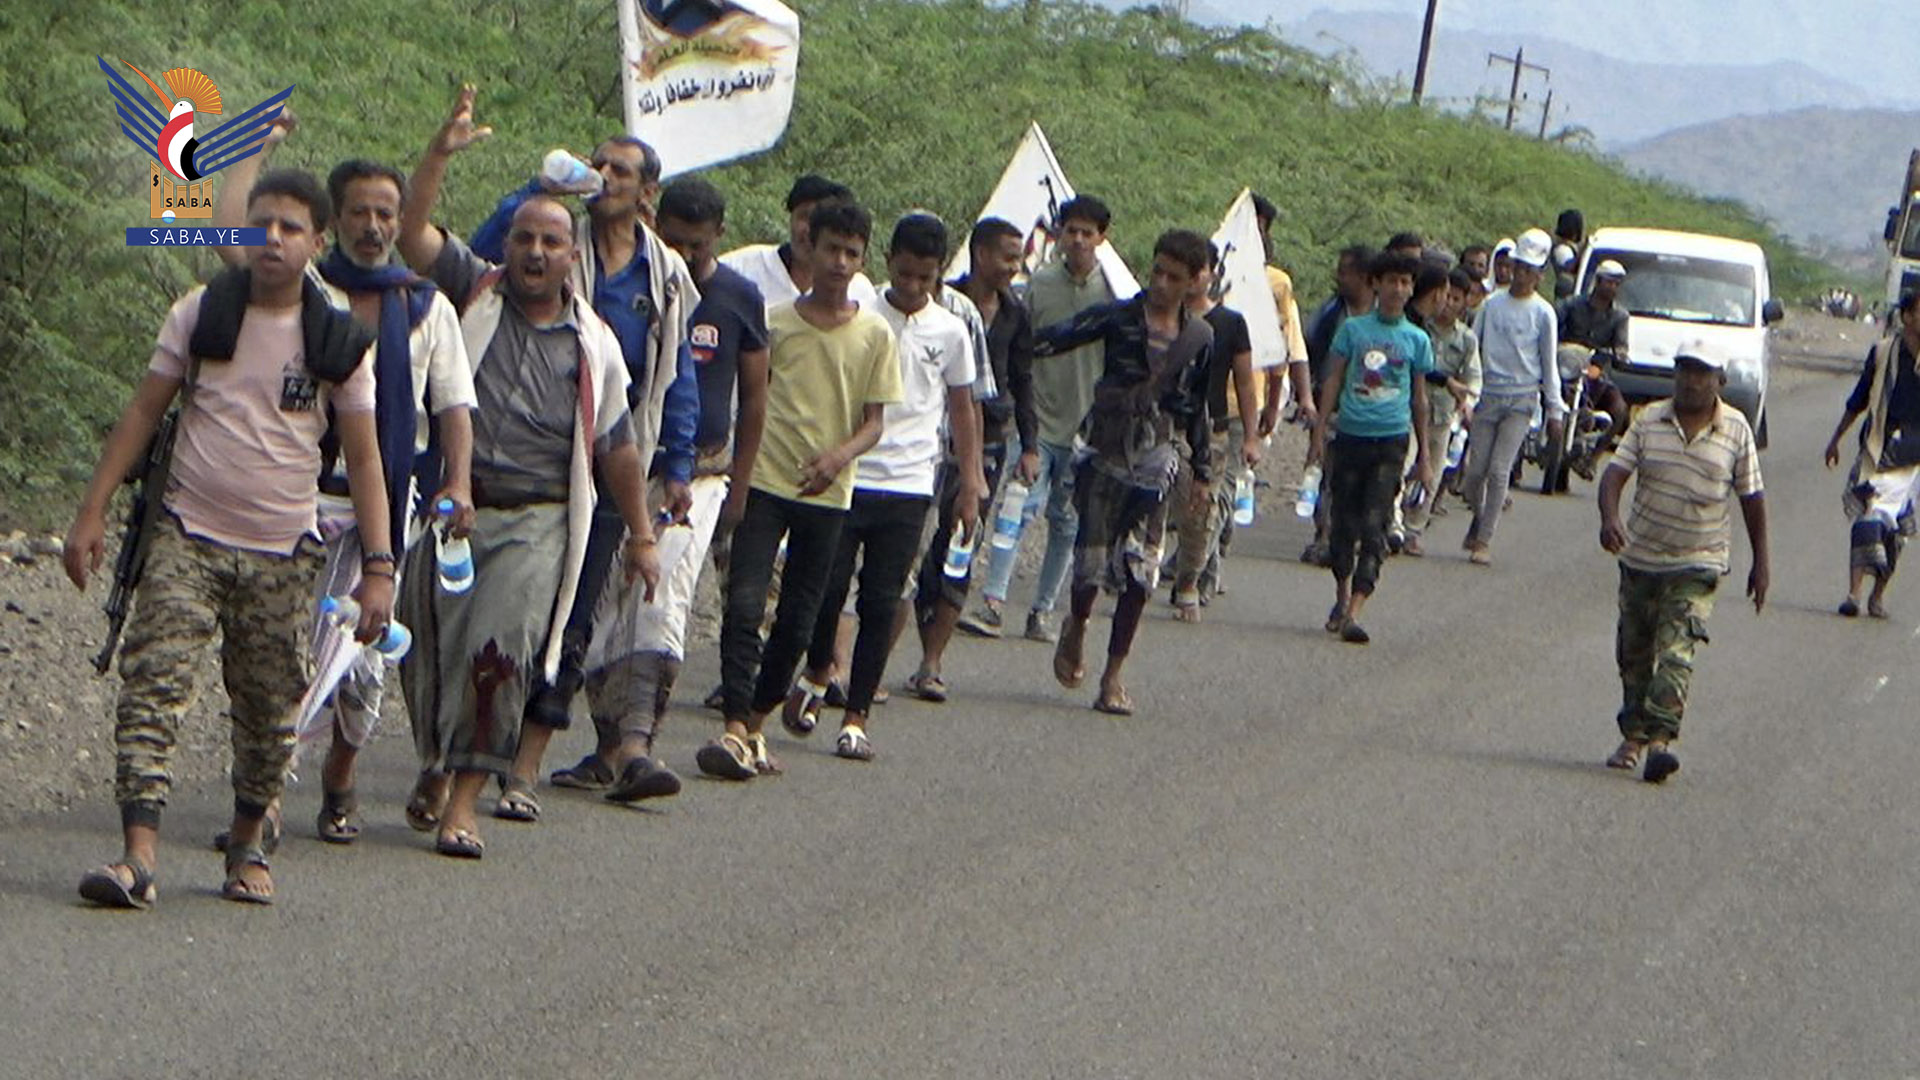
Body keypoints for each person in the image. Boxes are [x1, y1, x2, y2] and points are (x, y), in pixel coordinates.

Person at [64, 169, 391, 907]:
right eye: (258, 224)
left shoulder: (337, 339)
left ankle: (247, 843)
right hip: (187, 537)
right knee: (152, 685)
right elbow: (143, 413)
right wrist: (91, 513)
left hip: (284, 553)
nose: (271, 240)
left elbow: (366, 457)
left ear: (317, 242)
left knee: (269, 712)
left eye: (289, 228)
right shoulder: (201, 313)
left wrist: (379, 568)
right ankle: (138, 856)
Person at [396, 86, 662, 858]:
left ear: (571, 255)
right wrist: (438, 155)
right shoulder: (472, 295)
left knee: (500, 655)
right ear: (506, 246)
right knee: (429, 648)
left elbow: (616, 448)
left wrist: (642, 535)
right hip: (453, 510)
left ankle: (465, 801)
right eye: (524, 239)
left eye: (551, 242)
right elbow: (412, 235)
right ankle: (437, 762)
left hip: (539, 519)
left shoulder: (594, 343)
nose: (536, 253)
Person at [211, 124, 478, 846]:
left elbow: (452, 407)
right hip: (297, 496)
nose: (374, 226)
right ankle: (268, 796)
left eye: (386, 213)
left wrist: (458, 482)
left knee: (360, 663)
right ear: (334, 222)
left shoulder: (425, 307)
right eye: (359, 212)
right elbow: (233, 237)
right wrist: (253, 154)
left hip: (385, 506)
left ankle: (340, 772)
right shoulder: (304, 292)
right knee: (290, 649)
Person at [453, 118, 702, 818]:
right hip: (521, 462)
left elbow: (676, 374)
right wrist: (538, 192)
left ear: (648, 193)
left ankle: (524, 766)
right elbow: (482, 255)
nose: (605, 177)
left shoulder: (666, 278)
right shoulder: (554, 243)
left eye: (621, 171)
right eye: (599, 164)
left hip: (610, 466)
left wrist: (678, 466)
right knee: (478, 619)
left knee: (572, 617)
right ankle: (464, 750)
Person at [544, 176, 772, 802]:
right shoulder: (627, 280)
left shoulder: (737, 297)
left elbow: (753, 398)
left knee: (657, 606)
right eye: (676, 242)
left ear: (719, 236)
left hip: (695, 478)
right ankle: (608, 749)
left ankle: (639, 747)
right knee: (600, 607)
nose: (688, 256)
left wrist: (738, 484)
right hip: (615, 468)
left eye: (699, 245)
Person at [696, 201, 901, 782]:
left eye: (851, 253)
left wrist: (838, 456)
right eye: (831, 249)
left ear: (863, 258)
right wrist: (738, 478)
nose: (839, 263)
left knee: (800, 619)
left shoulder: (874, 334)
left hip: (827, 495)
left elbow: (875, 422)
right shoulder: (775, 321)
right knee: (744, 605)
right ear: (809, 248)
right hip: (765, 481)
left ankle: (756, 722)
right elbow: (751, 401)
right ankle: (735, 725)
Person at [780, 214, 978, 760]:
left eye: (924, 278)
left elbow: (963, 409)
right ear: (887, 262)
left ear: (939, 275)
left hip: (911, 484)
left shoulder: (951, 330)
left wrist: (971, 482)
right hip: (851, 473)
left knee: (881, 600)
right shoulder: (861, 313)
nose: (912, 287)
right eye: (904, 274)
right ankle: (819, 667)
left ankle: (856, 717)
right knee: (826, 588)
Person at [1041, 230, 1214, 715]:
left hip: (1156, 459)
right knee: (1091, 565)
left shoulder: (1199, 338)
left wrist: (1202, 470)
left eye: (1173, 277)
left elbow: (1198, 406)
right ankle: (1078, 622)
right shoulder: (1118, 318)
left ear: (1193, 282)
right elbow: (1056, 338)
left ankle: (1113, 676)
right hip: (1104, 451)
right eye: (1156, 271)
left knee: (1140, 571)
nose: (1160, 283)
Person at [1599, 343, 1767, 783]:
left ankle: (1660, 741)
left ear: (1720, 381)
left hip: (1698, 561)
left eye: (1702, 373)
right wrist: (1610, 518)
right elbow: (1614, 475)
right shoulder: (1649, 420)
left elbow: (1751, 497)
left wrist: (1761, 562)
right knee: (1634, 654)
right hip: (1642, 557)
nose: (1691, 382)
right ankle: (1633, 735)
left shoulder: (1736, 430)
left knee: (1676, 652)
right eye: (1684, 371)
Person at [961, 195, 1119, 643]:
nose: (1078, 240)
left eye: (1087, 233)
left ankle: (1043, 610)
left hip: (1085, 429)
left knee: (1066, 522)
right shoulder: (1037, 285)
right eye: (1071, 231)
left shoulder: (1114, 293)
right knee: (1016, 508)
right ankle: (993, 601)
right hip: (1036, 420)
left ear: (1102, 238)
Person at [908, 217, 1035, 700]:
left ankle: (931, 662)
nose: (1013, 267)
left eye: (1018, 258)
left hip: (987, 443)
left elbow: (1020, 381)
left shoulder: (1016, 314)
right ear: (980, 254)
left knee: (959, 547)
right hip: (921, 443)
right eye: (1007, 256)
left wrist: (1030, 445)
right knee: (905, 552)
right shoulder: (945, 302)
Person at [1310, 251, 1434, 644]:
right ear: (1376, 284)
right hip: (1350, 435)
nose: (1398, 289)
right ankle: (1342, 594)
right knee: (1343, 522)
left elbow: (1419, 399)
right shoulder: (1353, 331)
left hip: (1391, 440)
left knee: (1375, 524)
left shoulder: (1417, 340)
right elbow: (1333, 379)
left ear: (1412, 289)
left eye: (1405, 282)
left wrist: (1425, 456)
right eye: (1391, 280)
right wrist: (1318, 431)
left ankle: (1356, 608)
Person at [1168, 243, 1260, 619]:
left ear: (1211, 273)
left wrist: (1251, 436)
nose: (1190, 279)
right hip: (1161, 423)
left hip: (1210, 429)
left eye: (1198, 270)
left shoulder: (1230, 323)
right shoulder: (1157, 316)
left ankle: (1190, 580)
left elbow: (1245, 382)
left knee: (1200, 511)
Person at [1459, 227, 1560, 566]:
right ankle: (1480, 515)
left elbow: (1548, 363)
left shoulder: (1543, 313)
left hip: (1522, 399)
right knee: (1475, 473)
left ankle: (1484, 539)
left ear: (1540, 275)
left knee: (1499, 470)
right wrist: (1467, 394)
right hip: (1487, 395)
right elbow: (1472, 349)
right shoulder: (1491, 305)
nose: (1523, 275)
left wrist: (1554, 410)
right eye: (1520, 267)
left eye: (1531, 270)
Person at [1823, 291, 1920, 619]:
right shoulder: (1883, 353)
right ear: (1907, 317)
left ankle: (1877, 597)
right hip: (1877, 451)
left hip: (1912, 461)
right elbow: (1859, 400)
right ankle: (1853, 594)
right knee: (1867, 519)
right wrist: (1836, 439)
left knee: (1895, 533)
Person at [1298, 244, 1376, 565]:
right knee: (1326, 472)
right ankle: (1325, 535)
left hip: (1369, 411)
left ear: (1365, 277)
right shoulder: (1330, 312)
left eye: (1346, 272)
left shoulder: (1382, 317)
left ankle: (1348, 534)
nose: (1339, 277)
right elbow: (1305, 347)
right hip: (1329, 406)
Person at [1399, 266, 1479, 554]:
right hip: (1412, 409)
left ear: (1466, 302)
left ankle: (1414, 530)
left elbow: (1473, 377)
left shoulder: (1466, 339)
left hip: (1444, 415)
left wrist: (1467, 403)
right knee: (1406, 464)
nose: (1449, 304)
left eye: (1456, 298)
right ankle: (1393, 522)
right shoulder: (1421, 327)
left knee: (1431, 472)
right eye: (1447, 296)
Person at [720, 174, 880, 311]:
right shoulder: (740, 268)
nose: (810, 231)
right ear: (790, 218)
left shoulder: (859, 291)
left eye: (823, 223)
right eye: (805, 217)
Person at [1251, 192, 1314, 448]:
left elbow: (1288, 344)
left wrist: (1277, 401)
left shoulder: (1277, 285)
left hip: (1254, 394)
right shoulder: (1207, 273)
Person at [1554, 258, 1632, 462]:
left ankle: (1592, 459)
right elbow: (1552, 323)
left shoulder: (1620, 316)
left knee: (1619, 410)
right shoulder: (1572, 304)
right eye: (1609, 282)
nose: (1613, 287)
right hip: (1565, 366)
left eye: (1616, 283)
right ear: (1597, 281)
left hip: (1596, 370)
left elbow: (1621, 345)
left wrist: (1619, 354)